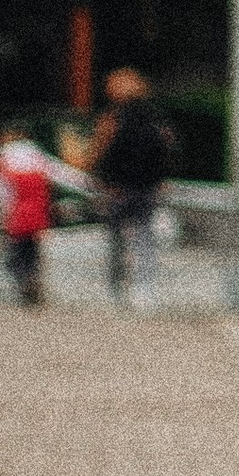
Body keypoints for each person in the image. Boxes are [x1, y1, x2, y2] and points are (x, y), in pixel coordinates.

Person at [79, 69, 176, 305]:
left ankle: (116, 289)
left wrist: (97, 176)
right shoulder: (155, 118)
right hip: (147, 187)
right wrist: (162, 179)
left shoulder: (111, 119)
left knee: (116, 239)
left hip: (118, 187)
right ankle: (145, 290)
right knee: (144, 238)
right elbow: (168, 148)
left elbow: (99, 151)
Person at [0, 123, 78, 306]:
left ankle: (25, 281)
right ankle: (33, 279)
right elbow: (61, 174)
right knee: (32, 249)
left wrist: (3, 212)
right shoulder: (35, 154)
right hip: (38, 211)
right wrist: (91, 186)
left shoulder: (3, 156)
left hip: (17, 212)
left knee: (16, 253)